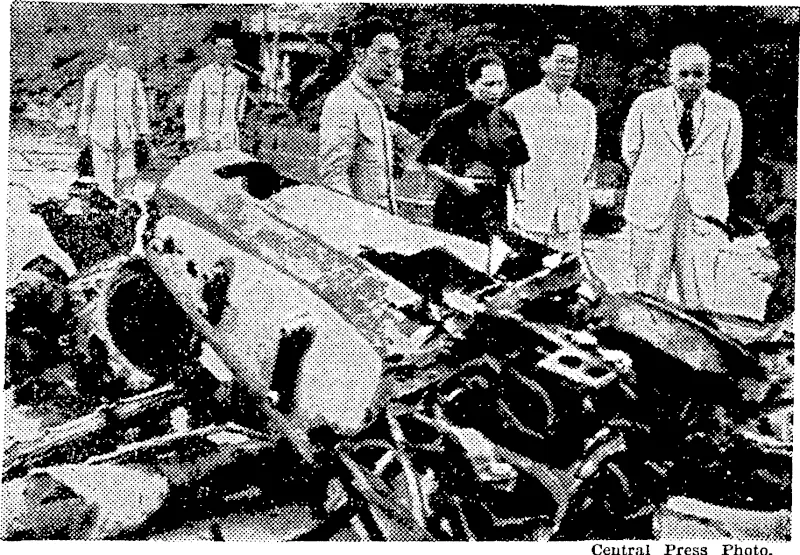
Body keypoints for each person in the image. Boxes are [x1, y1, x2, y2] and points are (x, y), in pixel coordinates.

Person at [622, 43, 743, 309]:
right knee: (646, 290)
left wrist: (701, 183)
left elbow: (731, 160)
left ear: (708, 75)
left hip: (702, 210)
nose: (690, 81)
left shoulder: (727, 110)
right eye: (683, 73)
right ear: (670, 73)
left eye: (698, 74)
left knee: (699, 294)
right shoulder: (645, 104)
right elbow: (631, 152)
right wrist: (658, 179)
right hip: (651, 206)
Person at [418, 53, 528, 244]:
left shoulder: (507, 119)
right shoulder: (451, 119)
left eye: (500, 84)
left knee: (490, 258)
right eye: (489, 84)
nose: (496, 90)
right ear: (471, 84)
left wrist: (519, 204)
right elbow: (428, 163)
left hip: (495, 205)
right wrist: (456, 181)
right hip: (456, 205)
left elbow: (516, 164)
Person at [502, 37, 597, 255]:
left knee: (568, 269)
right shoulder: (518, 106)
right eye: (561, 60)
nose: (567, 68)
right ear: (544, 62)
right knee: (529, 268)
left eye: (573, 62)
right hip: (529, 207)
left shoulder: (585, 108)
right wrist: (518, 198)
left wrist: (581, 194)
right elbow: (507, 160)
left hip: (570, 209)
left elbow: (587, 158)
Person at [318, 17, 401, 211]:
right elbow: (333, 176)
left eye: (396, 55)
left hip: (383, 221)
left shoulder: (374, 100)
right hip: (361, 223)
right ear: (359, 54)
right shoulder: (343, 100)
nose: (391, 63)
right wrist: (355, 223)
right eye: (383, 53)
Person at [78, 39, 150, 199]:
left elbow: (140, 105)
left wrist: (143, 130)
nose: (127, 56)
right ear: (111, 54)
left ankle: (126, 208)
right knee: (104, 179)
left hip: (126, 135)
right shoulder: (93, 75)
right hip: (100, 136)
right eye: (123, 53)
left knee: (127, 177)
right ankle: (106, 208)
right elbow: (86, 106)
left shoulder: (132, 76)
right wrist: (83, 131)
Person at [184, 33, 248, 151]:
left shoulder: (239, 78)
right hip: (205, 137)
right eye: (219, 48)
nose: (223, 52)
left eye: (227, 49)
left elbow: (239, 110)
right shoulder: (202, 75)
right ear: (214, 50)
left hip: (229, 138)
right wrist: (194, 135)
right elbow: (192, 107)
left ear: (233, 51)